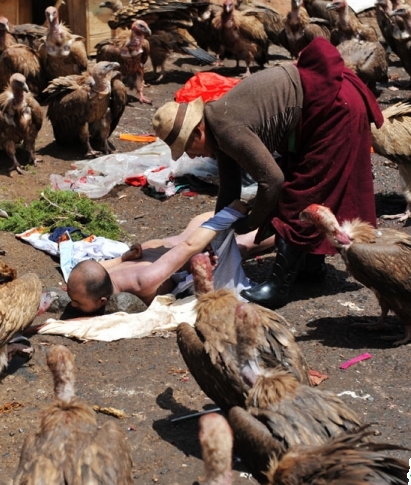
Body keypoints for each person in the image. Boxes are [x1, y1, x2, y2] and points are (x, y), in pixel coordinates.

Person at [151, 37, 384, 309]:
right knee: (305, 183)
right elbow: (229, 188)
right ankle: (311, 265)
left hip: (335, 108)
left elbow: (272, 181)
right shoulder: (217, 124)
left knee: (297, 196)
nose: (191, 156)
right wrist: (219, 235)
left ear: (197, 132)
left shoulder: (227, 129)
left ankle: (278, 288)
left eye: (187, 148)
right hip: (326, 107)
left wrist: (250, 223)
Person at [66, 202, 274, 314]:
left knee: (238, 220)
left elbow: (188, 246)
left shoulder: (141, 280)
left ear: (102, 301)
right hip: (184, 249)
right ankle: (278, 225)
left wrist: (229, 213)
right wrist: (123, 259)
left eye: (77, 302)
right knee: (243, 243)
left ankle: (277, 219)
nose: (72, 304)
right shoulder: (99, 277)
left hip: (189, 246)